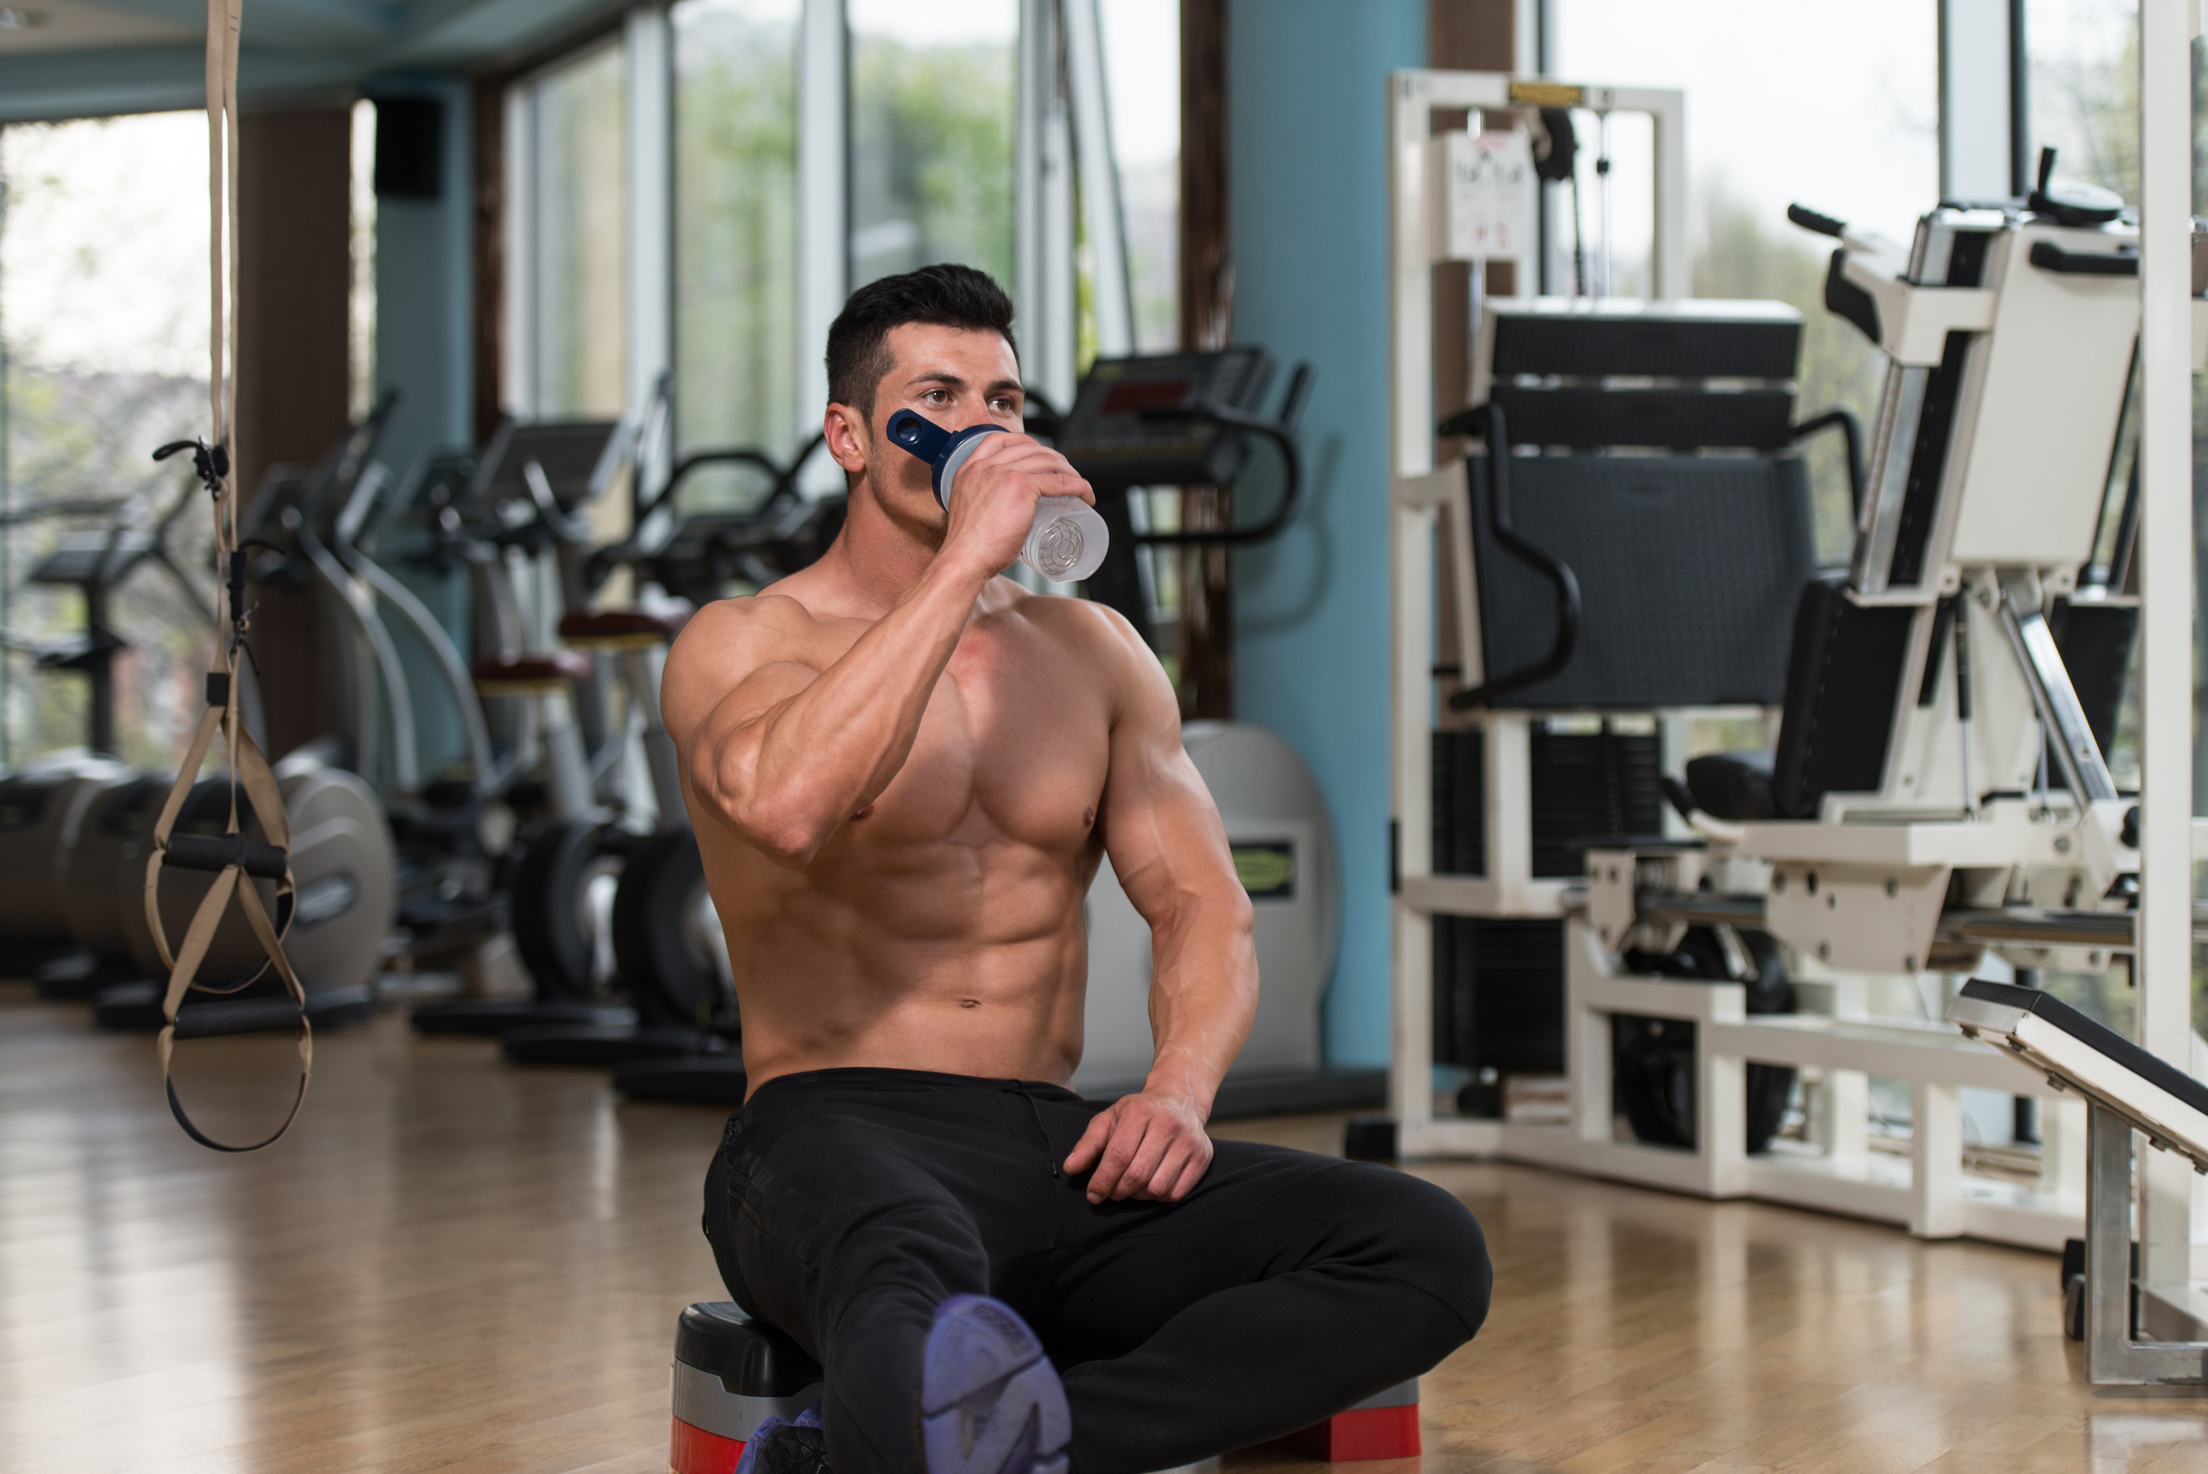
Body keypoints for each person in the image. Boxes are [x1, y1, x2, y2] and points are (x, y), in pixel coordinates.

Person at [662, 264, 1490, 1474]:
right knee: (909, 1291)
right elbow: (786, 808)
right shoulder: (744, 640)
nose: (980, 428)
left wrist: (1176, 1093)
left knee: (1421, 1243)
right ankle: (941, 1425)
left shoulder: (1090, 650)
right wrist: (962, 565)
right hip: (828, 1132)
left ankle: (999, 1449)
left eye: (1001, 400)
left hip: (1056, 1143)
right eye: (937, 397)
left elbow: (1204, 904)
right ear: (851, 432)